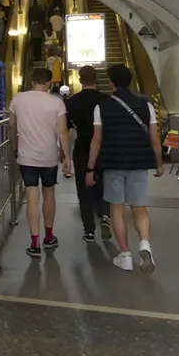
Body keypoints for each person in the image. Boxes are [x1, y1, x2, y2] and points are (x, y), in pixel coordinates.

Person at [86, 65, 164, 273]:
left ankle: (125, 255)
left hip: (113, 162)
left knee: (117, 209)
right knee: (139, 208)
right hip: (138, 162)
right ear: (130, 81)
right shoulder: (145, 106)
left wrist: (90, 167)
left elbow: (97, 140)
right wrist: (159, 164)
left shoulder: (101, 107)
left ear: (111, 82)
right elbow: (154, 139)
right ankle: (145, 244)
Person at [9, 68, 70, 258]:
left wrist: (14, 145)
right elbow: (62, 131)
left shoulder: (18, 99)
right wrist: (67, 157)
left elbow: (12, 126)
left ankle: (34, 243)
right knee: (49, 193)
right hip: (49, 156)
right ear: (49, 83)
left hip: (27, 157)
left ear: (31, 80)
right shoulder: (56, 102)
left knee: (32, 196)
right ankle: (49, 236)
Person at [66, 66, 111, 243]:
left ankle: (89, 230)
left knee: (83, 189)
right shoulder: (106, 100)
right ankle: (105, 215)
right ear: (97, 79)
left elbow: (67, 129)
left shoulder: (72, 102)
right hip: (104, 148)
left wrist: (65, 154)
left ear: (79, 80)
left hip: (82, 147)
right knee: (104, 184)